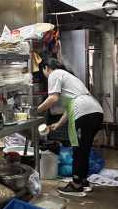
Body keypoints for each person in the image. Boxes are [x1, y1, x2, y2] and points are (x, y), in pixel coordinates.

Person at [37, 57, 104, 195]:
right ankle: (83, 181)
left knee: (78, 149)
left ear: (46, 68)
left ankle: (76, 184)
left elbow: (53, 98)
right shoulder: (69, 77)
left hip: (83, 112)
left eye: (43, 71)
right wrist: (58, 124)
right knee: (84, 148)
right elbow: (70, 108)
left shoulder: (54, 74)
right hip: (96, 111)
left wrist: (36, 110)